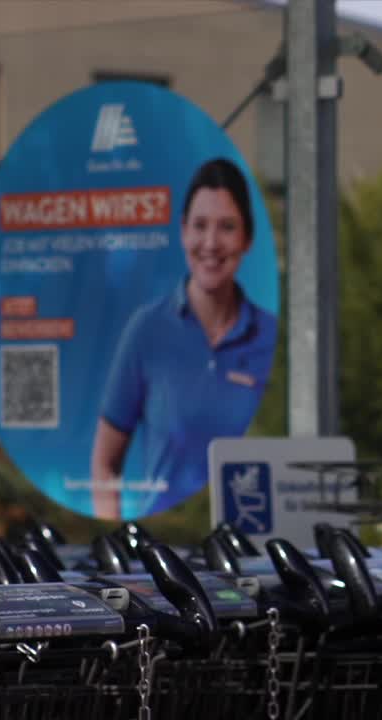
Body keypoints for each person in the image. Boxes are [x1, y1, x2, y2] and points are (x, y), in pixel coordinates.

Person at [90, 158, 276, 519]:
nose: (211, 242)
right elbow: (105, 463)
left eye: (227, 227)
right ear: (182, 232)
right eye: (200, 226)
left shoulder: (271, 336)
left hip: (255, 553)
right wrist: (115, 547)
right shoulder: (147, 330)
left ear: (247, 239)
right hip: (166, 552)